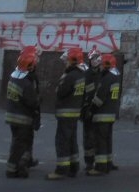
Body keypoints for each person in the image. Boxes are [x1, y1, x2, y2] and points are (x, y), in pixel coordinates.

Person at [47, 47, 88, 180]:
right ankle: (73, 167)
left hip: (65, 113)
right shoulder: (81, 75)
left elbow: (61, 92)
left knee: (62, 141)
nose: (66, 63)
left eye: (67, 60)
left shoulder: (70, 76)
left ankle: (61, 169)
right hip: (74, 113)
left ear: (72, 61)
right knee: (72, 141)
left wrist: (62, 79)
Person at [5, 46, 41, 179]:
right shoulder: (26, 83)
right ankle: (13, 168)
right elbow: (32, 102)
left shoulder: (14, 78)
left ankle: (22, 165)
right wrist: (38, 101)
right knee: (21, 144)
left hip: (12, 115)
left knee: (18, 142)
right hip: (22, 118)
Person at [87, 53, 121, 176]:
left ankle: (100, 167)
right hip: (111, 114)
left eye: (101, 64)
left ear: (105, 65)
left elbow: (99, 99)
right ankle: (108, 163)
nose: (99, 66)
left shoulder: (106, 79)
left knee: (100, 141)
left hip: (102, 115)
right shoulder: (115, 77)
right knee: (107, 140)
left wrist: (91, 109)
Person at [82, 51, 101, 172]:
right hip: (88, 109)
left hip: (98, 109)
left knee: (98, 137)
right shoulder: (86, 74)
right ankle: (89, 162)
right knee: (88, 137)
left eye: (96, 59)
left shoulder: (102, 74)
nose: (94, 61)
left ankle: (99, 161)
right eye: (92, 59)